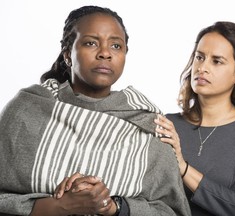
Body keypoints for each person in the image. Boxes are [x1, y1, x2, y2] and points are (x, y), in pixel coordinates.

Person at [0, 5, 191, 216]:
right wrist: (57, 206)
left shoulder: (148, 127)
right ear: (67, 54)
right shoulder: (26, 110)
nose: (105, 54)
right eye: (91, 43)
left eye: (116, 46)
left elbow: (171, 211)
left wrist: (113, 206)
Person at [155, 21, 235, 216]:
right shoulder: (169, 125)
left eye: (216, 61)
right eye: (199, 57)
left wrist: (183, 169)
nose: (202, 68)